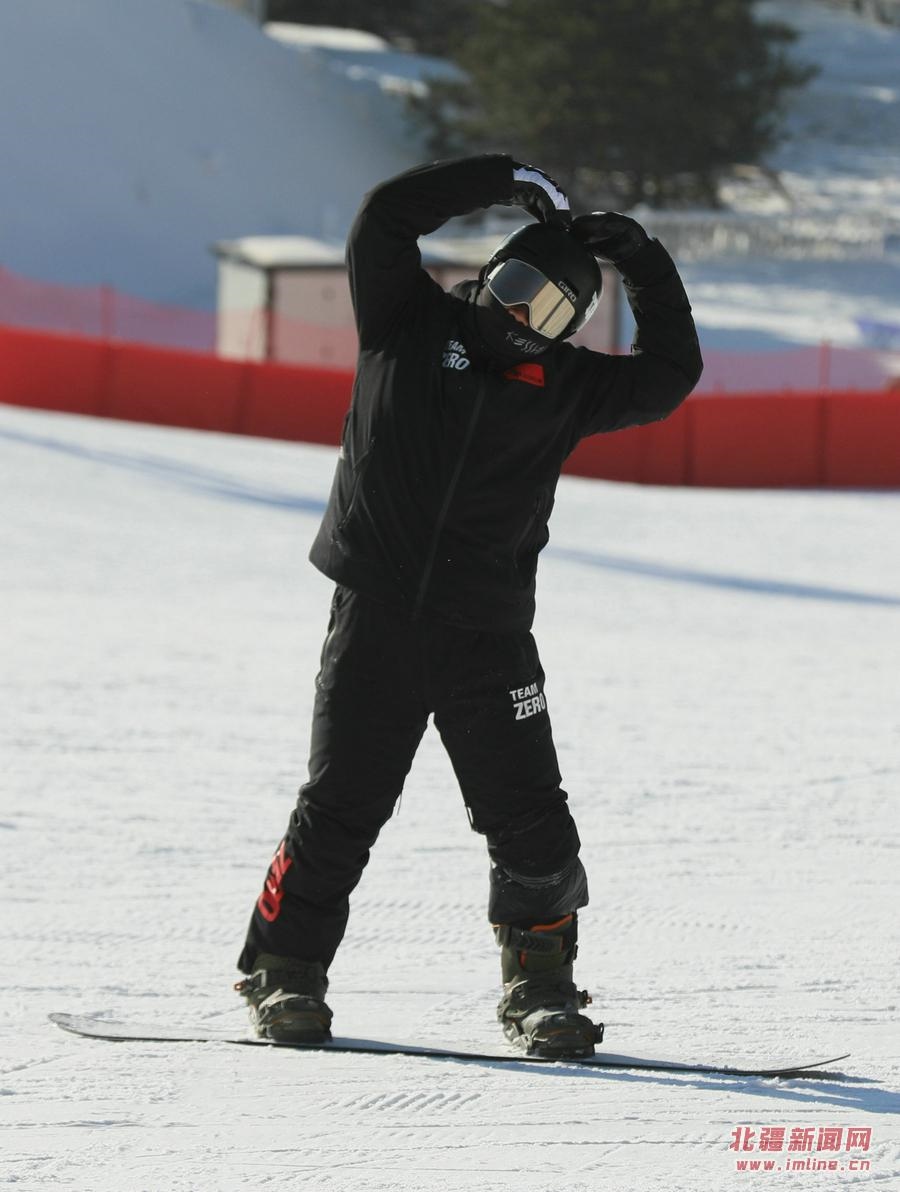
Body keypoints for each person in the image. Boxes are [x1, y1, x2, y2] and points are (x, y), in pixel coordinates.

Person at [235, 155, 702, 1058]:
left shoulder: (568, 386)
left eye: (554, 313)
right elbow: (384, 217)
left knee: (532, 821)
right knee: (342, 807)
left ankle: (542, 990)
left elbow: (671, 371)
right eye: (518, 290)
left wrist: (643, 262)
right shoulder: (405, 319)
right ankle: (283, 973)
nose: (526, 318)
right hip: (379, 616)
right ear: (488, 274)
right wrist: (501, 177)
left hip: (487, 634)